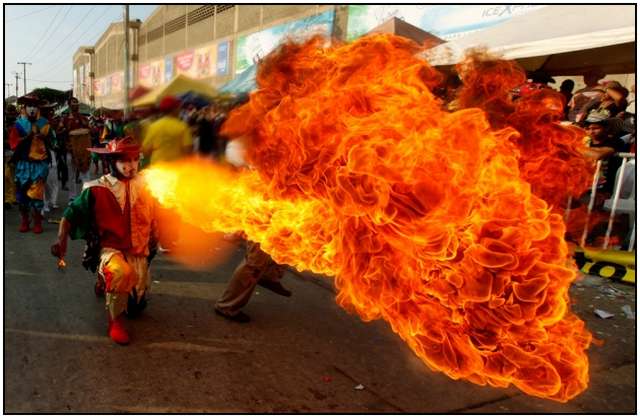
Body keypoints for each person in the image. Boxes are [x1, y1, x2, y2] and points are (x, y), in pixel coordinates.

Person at [51, 137, 160, 345]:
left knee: (136, 308)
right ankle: (115, 322)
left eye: (135, 160)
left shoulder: (149, 185)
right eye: (125, 162)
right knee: (121, 273)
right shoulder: (97, 188)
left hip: (139, 249)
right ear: (112, 162)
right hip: (111, 248)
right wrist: (61, 242)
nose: (131, 167)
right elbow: (69, 215)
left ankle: (104, 283)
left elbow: (159, 213)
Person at [213, 137, 291, 323]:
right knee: (255, 262)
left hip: (275, 204)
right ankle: (227, 306)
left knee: (285, 244)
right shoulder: (252, 145)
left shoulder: (282, 140)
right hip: (260, 209)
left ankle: (270, 275)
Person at [9, 95, 53, 233]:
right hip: (23, 164)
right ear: (24, 108)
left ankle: (38, 221)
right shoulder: (19, 124)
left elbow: (54, 142)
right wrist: (25, 138)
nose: (32, 109)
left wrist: (45, 138)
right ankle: (25, 220)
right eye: (29, 106)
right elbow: (13, 143)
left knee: (37, 194)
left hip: (39, 164)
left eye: (35, 106)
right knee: (22, 194)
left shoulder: (45, 124)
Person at [142, 96, 193, 166]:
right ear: (174, 109)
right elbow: (188, 151)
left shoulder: (153, 126)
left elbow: (145, 151)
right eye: (178, 108)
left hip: (157, 168)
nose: (179, 110)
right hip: (176, 168)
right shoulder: (182, 126)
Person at [58, 97, 90, 200]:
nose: (76, 104)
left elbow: (90, 132)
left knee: (85, 174)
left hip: (84, 151)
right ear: (69, 105)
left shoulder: (84, 118)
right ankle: (72, 198)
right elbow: (59, 132)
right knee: (71, 176)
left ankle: (86, 198)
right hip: (70, 150)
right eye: (73, 103)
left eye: (76, 103)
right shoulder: (65, 119)